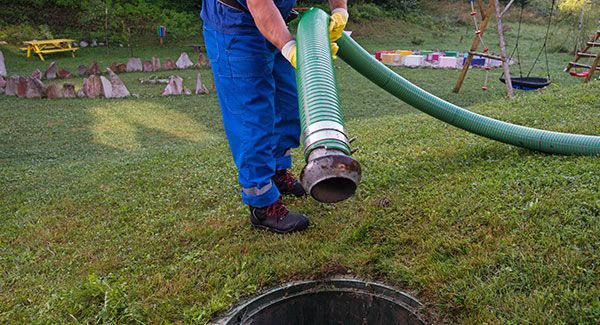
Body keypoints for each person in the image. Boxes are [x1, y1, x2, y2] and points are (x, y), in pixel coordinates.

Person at [201, 0, 348, 234]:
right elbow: (259, 4)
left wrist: (340, 10)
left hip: (278, 17)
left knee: (287, 103)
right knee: (252, 117)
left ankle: (277, 174)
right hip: (236, 25)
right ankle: (262, 204)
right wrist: (289, 47)